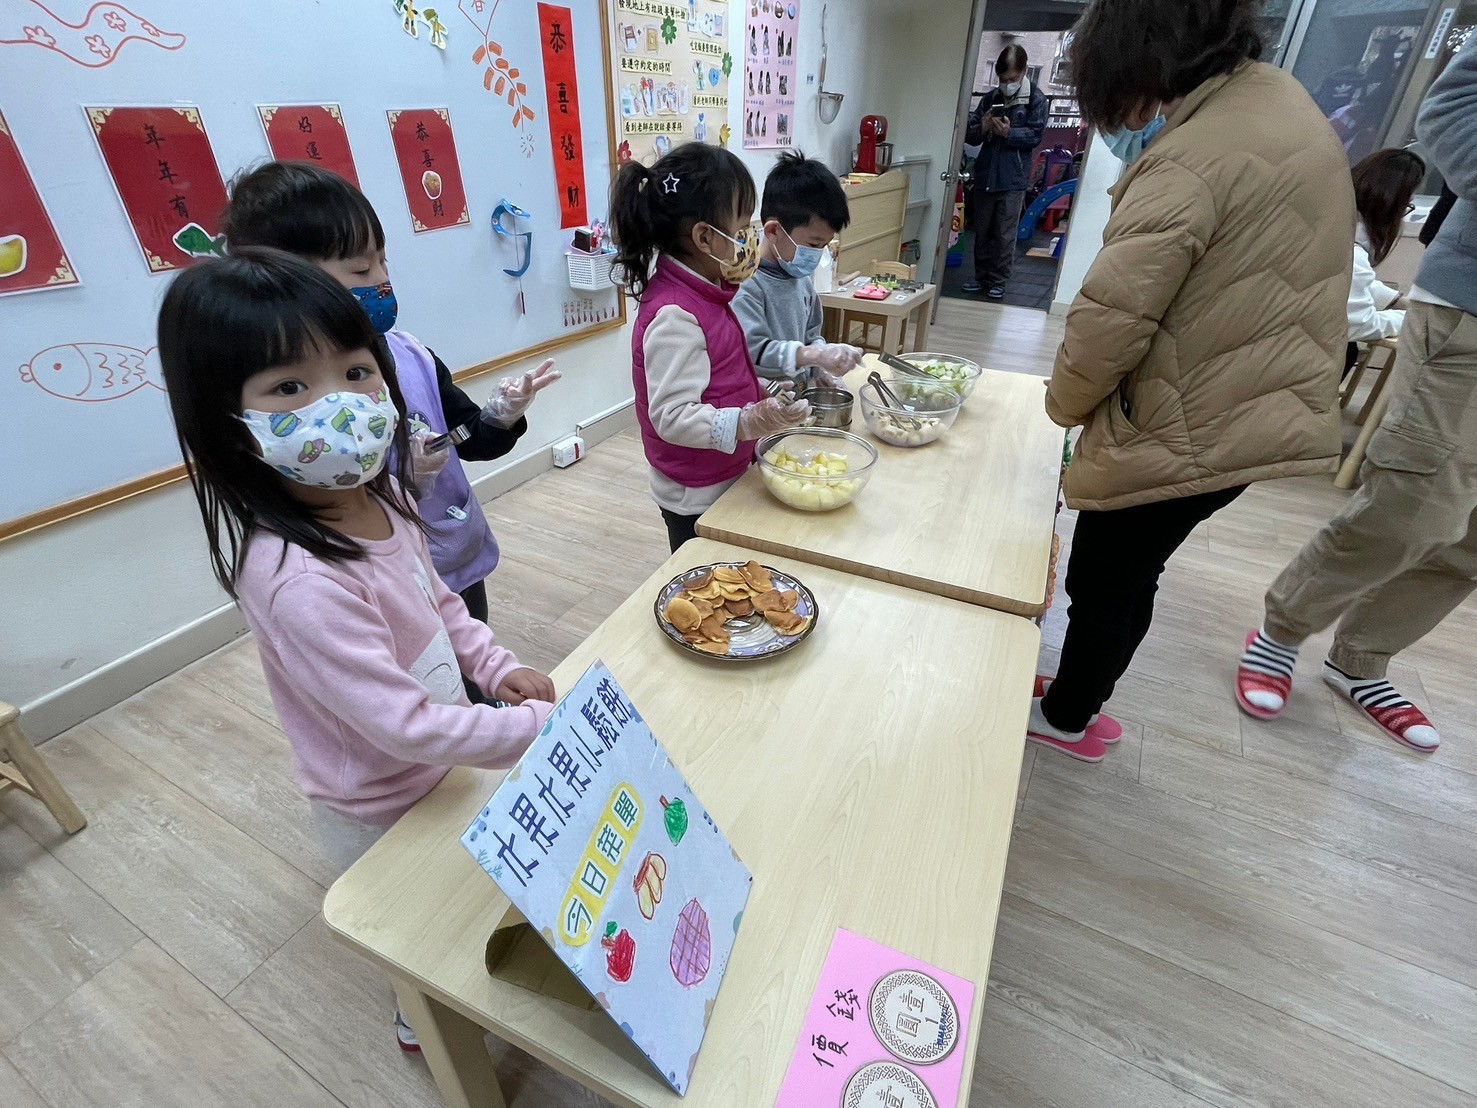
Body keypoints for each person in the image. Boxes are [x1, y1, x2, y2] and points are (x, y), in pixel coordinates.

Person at [156, 248, 556, 1047]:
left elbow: (440, 602)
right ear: (227, 421)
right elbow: (400, 725)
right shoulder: (297, 579)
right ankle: (419, 1023)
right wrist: (533, 731)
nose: (339, 405)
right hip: (376, 804)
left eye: (354, 371)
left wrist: (494, 666)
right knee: (418, 940)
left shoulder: (385, 493)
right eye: (288, 388)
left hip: (443, 761)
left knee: (469, 904)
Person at [1031, 0, 1354, 761]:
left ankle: (1067, 717)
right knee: (1134, 572)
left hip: (1194, 415)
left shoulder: (1191, 157)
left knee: (1105, 578)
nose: (1127, 121)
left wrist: (1061, 408)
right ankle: (1082, 694)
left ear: (1139, 63)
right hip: (1248, 402)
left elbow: (1110, 318)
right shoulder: (1277, 100)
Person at [1236, 36, 1477, 752]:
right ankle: (1282, 628)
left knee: (1469, 537)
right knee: (1414, 505)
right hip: (1470, 311)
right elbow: (1451, 105)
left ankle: (1362, 658)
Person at [221, 162, 560, 636]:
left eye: (383, 262)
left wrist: (500, 418)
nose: (381, 279)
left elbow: (466, 439)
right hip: (374, 583)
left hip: (451, 556)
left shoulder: (411, 356)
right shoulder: (273, 402)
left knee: (471, 650)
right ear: (285, 281)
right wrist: (398, 481)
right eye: (361, 268)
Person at [610, 143, 811, 553]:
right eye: (742, 228)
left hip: (724, 473)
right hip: (695, 494)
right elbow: (671, 416)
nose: (751, 239)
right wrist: (747, 422)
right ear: (704, 237)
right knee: (706, 580)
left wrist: (760, 396)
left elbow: (717, 374)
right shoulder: (674, 315)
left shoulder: (707, 291)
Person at [732, 150, 863, 390]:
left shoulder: (799, 276)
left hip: (798, 398)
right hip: (761, 400)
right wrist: (813, 355)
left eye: (824, 245)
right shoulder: (747, 284)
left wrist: (820, 366)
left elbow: (811, 334)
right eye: (813, 245)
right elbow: (753, 351)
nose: (817, 255)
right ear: (773, 231)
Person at [962, 44, 1047, 299]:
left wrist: (1009, 133)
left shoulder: (1036, 99)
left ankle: (998, 280)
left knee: (1004, 234)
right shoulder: (990, 98)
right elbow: (970, 135)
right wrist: (985, 126)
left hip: (1013, 179)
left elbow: (1035, 136)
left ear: (1023, 71)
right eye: (1002, 79)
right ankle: (980, 277)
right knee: (982, 231)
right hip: (986, 175)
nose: (1006, 84)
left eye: (1012, 79)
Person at [1345, 149, 1424, 368]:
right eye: (1407, 206)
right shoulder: (1353, 251)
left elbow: (1352, 283)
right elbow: (1359, 324)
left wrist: (1396, 301)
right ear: (1389, 204)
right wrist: (1410, 320)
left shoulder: (1337, 229)